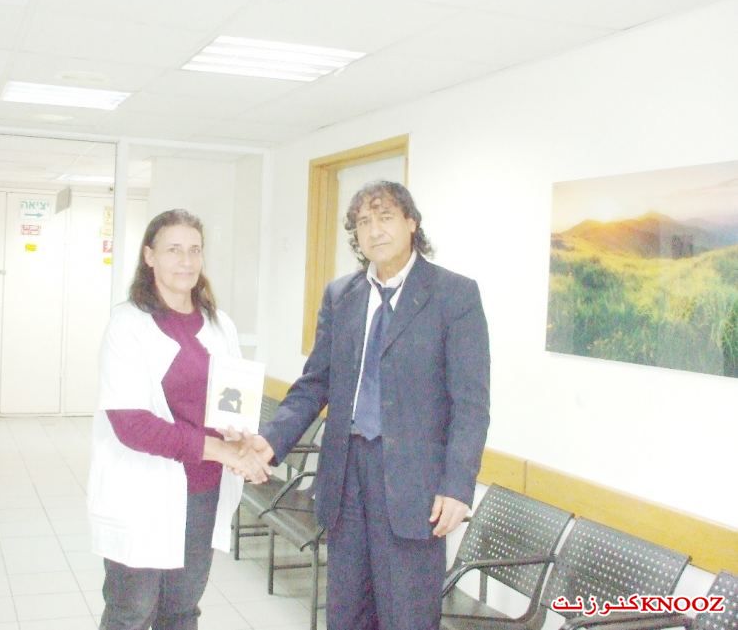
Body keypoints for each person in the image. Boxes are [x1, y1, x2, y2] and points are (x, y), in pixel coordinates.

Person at [249, 181, 490, 630]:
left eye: (386, 217)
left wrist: (458, 486)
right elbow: (314, 383)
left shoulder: (453, 295)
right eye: (364, 222)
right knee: (347, 614)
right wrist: (271, 440)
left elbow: (471, 404)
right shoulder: (342, 295)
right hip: (346, 478)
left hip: (414, 489)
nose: (375, 230)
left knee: (407, 617)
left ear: (411, 223)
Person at [87, 209, 269, 630]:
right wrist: (220, 449)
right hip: (142, 491)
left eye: (194, 250)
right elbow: (131, 424)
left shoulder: (220, 325)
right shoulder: (128, 324)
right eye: (173, 250)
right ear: (149, 256)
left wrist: (243, 443)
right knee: (132, 612)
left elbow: (233, 405)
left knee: (182, 611)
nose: (186, 261)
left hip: (202, 491)